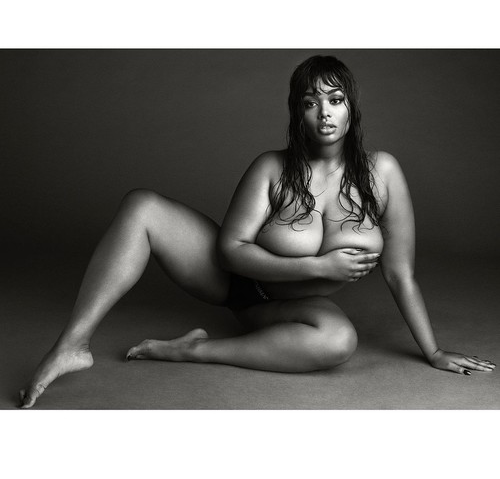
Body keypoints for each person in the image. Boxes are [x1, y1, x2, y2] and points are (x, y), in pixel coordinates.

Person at [19, 54, 495, 409]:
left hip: (283, 308)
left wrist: (433, 351)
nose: (324, 113)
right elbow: (230, 251)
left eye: (335, 100)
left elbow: (400, 274)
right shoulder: (271, 167)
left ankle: (193, 350)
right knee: (142, 205)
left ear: (352, 108)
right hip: (234, 282)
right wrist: (318, 266)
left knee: (338, 341)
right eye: (310, 103)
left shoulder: (383, 172)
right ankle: (71, 346)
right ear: (296, 113)